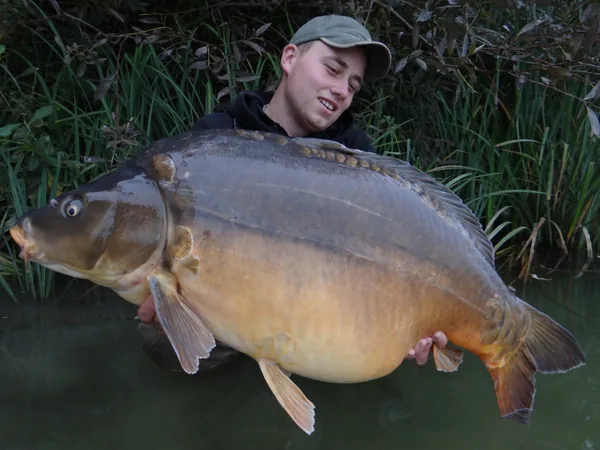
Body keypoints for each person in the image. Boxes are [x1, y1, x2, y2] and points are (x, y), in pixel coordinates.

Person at [136, 14, 448, 374]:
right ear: (289, 58)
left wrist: (404, 321)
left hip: (315, 309)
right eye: (333, 70)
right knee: (156, 338)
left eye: (353, 85)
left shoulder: (358, 159)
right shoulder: (218, 136)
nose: (342, 91)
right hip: (230, 300)